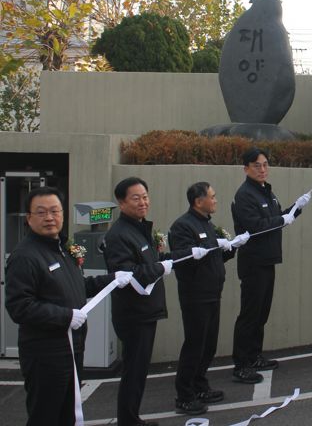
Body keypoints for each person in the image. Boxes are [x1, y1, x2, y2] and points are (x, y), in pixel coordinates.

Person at [5, 187, 132, 426]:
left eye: (54, 211)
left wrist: (113, 278)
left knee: (67, 413)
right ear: (29, 218)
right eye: (41, 212)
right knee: (46, 414)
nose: (49, 218)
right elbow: (19, 306)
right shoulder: (25, 256)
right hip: (46, 353)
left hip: (72, 347)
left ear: (62, 214)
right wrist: (65, 316)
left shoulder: (63, 249)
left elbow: (78, 286)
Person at [104, 177, 206, 426]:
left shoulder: (140, 228)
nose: (143, 202)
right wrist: (161, 267)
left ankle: (131, 418)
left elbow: (156, 260)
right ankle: (128, 421)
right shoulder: (119, 235)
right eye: (136, 198)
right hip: (134, 314)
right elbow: (126, 274)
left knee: (138, 372)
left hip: (146, 312)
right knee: (133, 372)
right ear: (121, 202)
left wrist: (187, 254)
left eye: (145, 196)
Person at [230, 148, 310, 383]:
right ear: (246, 168)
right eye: (257, 165)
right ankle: (241, 364)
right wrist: (281, 219)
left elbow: (278, 219)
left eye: (265, 164)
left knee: (261, 313)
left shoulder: (267, 192)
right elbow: (255, 226)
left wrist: (297, 207)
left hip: (268, 260)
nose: (262, 169)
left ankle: (254, 356)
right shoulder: (245, 195)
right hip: (253, 262)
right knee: (250, 313)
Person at [168, 182, 236, 415]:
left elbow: (212, 258)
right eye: (212, 197)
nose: (216, 200)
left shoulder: (206, 224)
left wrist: (229, 248)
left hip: (212, 293)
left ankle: (199, 385)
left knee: (208, 345)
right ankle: (185, 395)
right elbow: (182, 260)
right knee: (195, 345)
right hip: (195, 295)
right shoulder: (182, 226)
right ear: (199, 201)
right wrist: (197, 252)